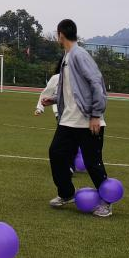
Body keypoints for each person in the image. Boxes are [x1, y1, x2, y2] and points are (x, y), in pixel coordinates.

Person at [47, 19, 111, 216]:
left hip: (87, 121)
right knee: (56, 153)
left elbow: (96, 83)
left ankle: (107, 202)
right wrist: (54, 99)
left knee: (93, 163)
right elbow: (73, 90)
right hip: (69, 120)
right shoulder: (67, 57)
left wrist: (96, 115)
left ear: (60, 35)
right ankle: (66, 193)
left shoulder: (79, 54)